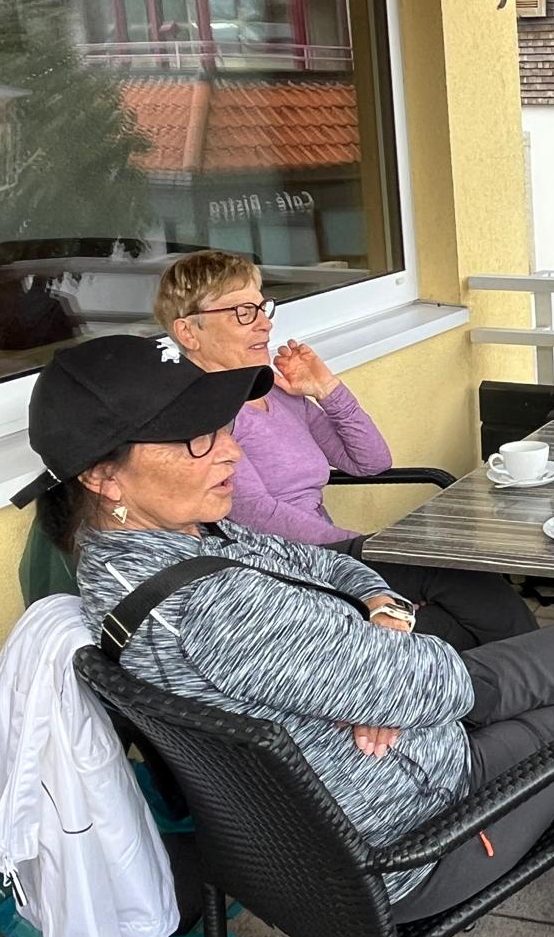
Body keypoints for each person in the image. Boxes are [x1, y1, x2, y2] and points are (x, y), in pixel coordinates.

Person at [11, 334, 554, 937]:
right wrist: (386, 682)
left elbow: (326, 564)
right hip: (414, 838)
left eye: (219, 425)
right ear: (102, 475)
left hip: (352, 798)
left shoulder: (155, 554)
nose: (229, 447)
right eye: (195, 438)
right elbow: (425, 686)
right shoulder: (209, 606)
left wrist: (380, 616)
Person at [153, 250, 534, 648]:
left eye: (262, 307)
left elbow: (370, 462)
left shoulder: (275, 394)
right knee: (451, 580)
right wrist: (364, 556)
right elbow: (257, 514)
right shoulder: (202, 417)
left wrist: (326, 389)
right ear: (188, 332)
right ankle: (539, 668)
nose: (264, 323)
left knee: (457, 611)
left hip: (332, 554)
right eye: (242, 312)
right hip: (286, 568)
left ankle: (528, 670)